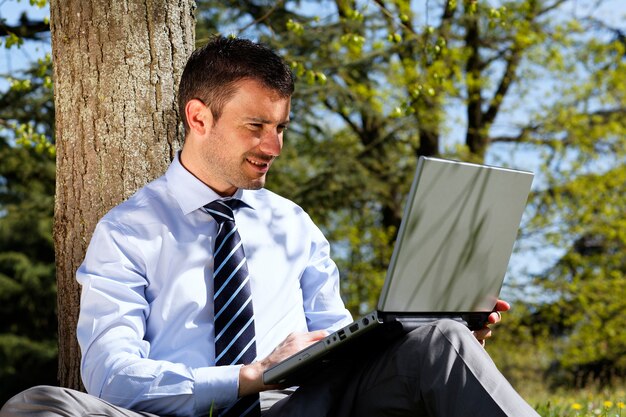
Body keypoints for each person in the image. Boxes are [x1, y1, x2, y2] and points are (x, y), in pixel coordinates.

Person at [0, 36, 540, 417]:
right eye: (256, 126)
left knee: (441, 339)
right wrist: (248, 378)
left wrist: (436, 335)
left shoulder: (294, 224)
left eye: (280, 127)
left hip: (302, 410)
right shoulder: (127, 232)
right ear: (199, 118)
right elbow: (111, 374)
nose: (274, 147)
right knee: (38, 406)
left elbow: (340, 341)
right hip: (177, 416)